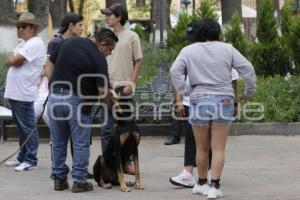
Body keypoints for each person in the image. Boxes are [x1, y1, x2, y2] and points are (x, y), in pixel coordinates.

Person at [170, 19, 256, 199]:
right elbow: (247, 69)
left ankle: (201, 184)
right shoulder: (228, 49)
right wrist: (249, 91)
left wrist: (186, 90)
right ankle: (214, 186)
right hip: (223, 100)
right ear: (217, 33)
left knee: (201, 147)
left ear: (200, 33)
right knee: (218, 148)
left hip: (199, 100)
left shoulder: (188, 50)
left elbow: (174, 71)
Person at [46, 28, 118, 193]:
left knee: (58, 140)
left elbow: (49, 63)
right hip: (77, 101)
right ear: (103, 44)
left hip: (55, 97)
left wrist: (53, 85)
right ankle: (79, 181)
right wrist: (111, 106)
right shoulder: (99, 58)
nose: (110, 53)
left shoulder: (68, 42)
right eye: (110, 49)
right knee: (80, 142)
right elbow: (102, 91)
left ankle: (59, 179)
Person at [100, 3, 143, 174]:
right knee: (106, 129)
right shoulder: (103, 36)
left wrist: (131, 83)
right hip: (106, 89)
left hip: (124, 90)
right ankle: (107, 162)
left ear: (119, 17)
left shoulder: (132, 36)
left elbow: (138, 61)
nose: (106, 18)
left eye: (109, 15)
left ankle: (127, 162)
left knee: (127, 129)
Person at [4, 12, 46, 171]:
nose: (20, 29)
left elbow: (12, 60)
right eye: (18, 26)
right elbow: (9, 60)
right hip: (16, 92)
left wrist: (12, 58)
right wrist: (12, 58)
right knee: (22, 128)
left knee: (28, 128)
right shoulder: (23, 43)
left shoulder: (35, 43)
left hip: (24, 93)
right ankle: (22, 157)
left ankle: (30, 160)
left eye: (24, 26)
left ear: (33, 28)